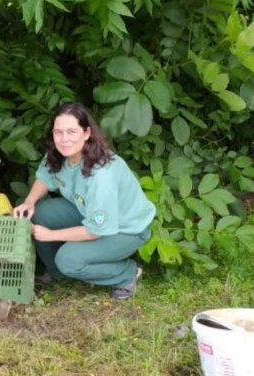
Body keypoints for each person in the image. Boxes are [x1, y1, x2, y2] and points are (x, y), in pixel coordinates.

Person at [13, 102, 155, 299]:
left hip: (125, 229)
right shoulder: (60, 153)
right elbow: (45, 177)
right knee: (41, 211)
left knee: (68, 259)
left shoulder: (101, 175)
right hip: (87, 213)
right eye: (58, 132)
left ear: (86, 133)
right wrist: (29, 201)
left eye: (71, 132)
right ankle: (56, 274)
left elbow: (95, 231)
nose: (64, 139)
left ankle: (127, 273)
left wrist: (51, 235)